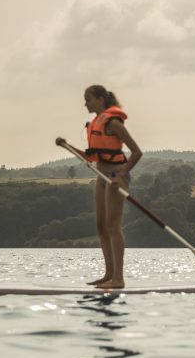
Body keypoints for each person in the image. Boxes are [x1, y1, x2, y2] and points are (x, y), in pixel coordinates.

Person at [57, 85, 142, 289]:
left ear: (101, 99)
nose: (85, 104)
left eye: (88, 99)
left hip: (115, 177)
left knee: (113, 226)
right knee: (101, 226)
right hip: (102, 177)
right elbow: (90, 157)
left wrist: (121, 175)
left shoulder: (113, 123)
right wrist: (66, 146)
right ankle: (109, 275)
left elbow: (137, 152)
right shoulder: (96, 123)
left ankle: (119, 279)